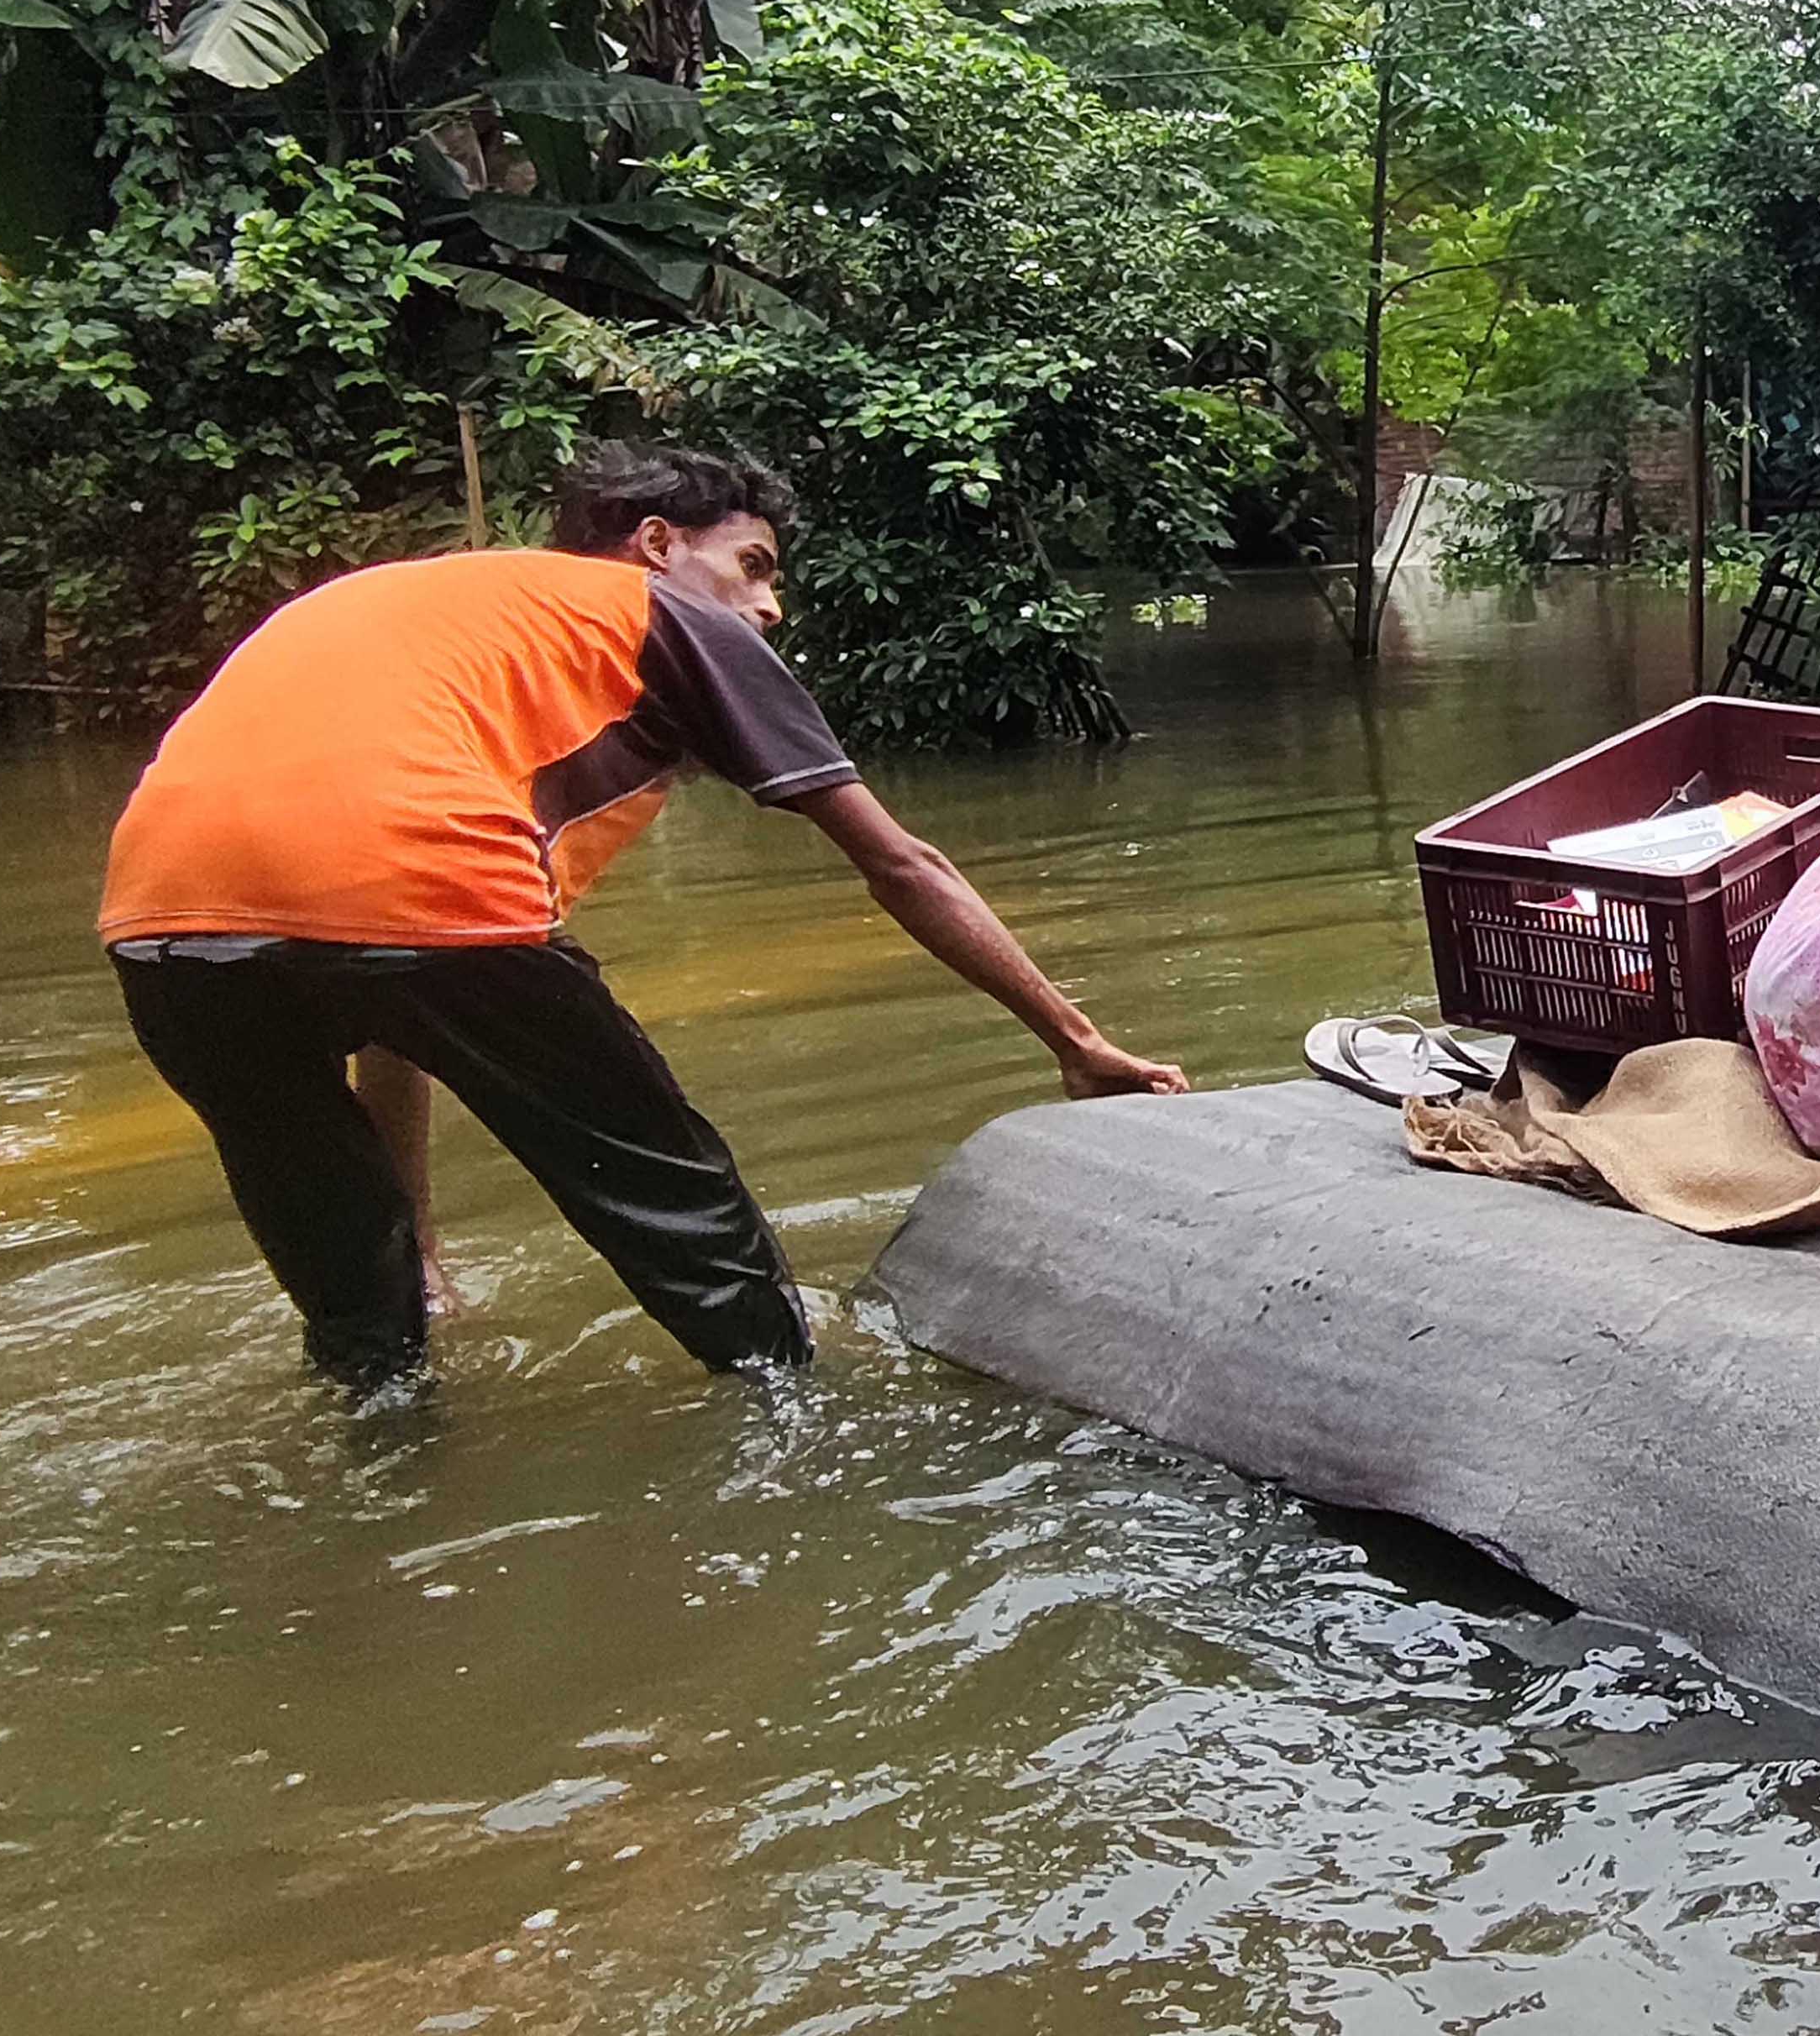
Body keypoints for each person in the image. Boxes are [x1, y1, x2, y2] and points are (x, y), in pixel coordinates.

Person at [97, 442, 1186, 1390]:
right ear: (658, 543)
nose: (770, 608)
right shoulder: (660, 612)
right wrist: (1077, 1042)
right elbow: (903, 865)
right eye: (753, 567)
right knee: (704, 1242)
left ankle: (382, 1454)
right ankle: (805, 1435)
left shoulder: (422, 609)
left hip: (160, 926)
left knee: (360, 1318)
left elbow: (390, 988)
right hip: (418, 890)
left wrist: (420, 1245)